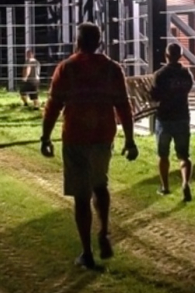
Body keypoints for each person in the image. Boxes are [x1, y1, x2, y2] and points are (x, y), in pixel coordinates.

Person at [40, 22, 138, 270]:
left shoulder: (67, 68)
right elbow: (123, 106)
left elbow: (53, 106)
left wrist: (45, 137)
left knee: (81, 197)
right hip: (103, 136)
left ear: (77, 41)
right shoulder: (112, 69)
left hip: (75, 137)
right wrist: (129, 139)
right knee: (100, 185)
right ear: (100, 42)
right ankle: (104, 231)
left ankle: (87, 253)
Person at [149, 42, 195, 202]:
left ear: (166, 55)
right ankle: (185, 183)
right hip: (182, 116)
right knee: (184, 155)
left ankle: (165, 187)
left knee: (163, 155)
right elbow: (188, 89)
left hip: (164, 118)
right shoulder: (186, 74)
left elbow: (154, 96)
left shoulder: (160, 74)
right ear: (180, 56)